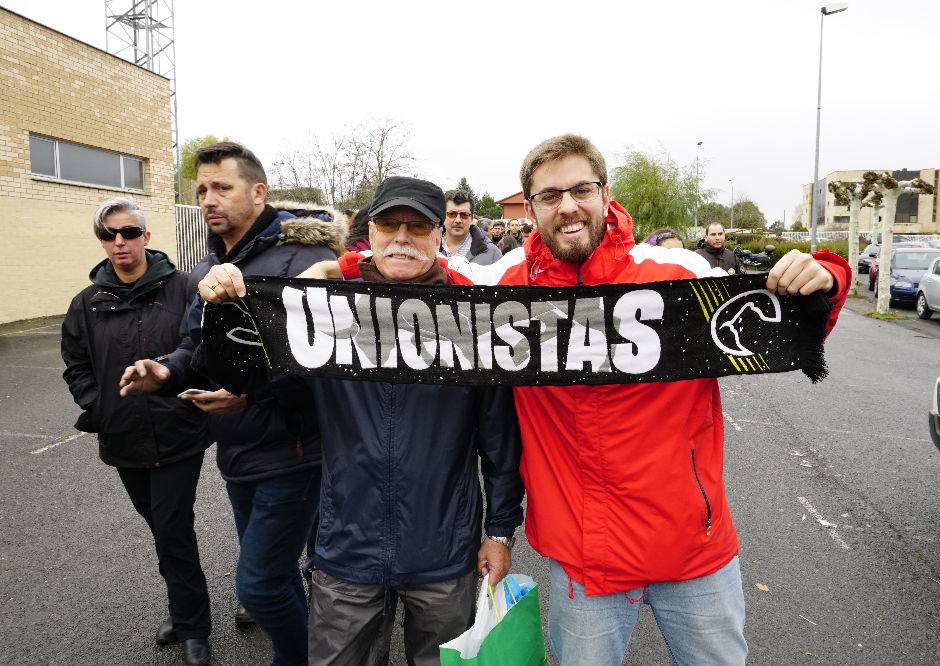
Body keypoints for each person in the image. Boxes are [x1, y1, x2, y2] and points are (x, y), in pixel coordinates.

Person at [299, 134, 850, 665]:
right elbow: (411, 273)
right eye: (549, 196)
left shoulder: (678, 275)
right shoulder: (503, 287)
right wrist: (336, 272)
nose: (568, 207)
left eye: (581, 190)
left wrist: (825, 273)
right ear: (531, 209)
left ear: (605, 194)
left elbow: (785, 319)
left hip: (693, 555)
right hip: (582, 563)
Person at [196, 176, 525, 666]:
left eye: (418, 227)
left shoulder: (474, 321)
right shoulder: (324, 309)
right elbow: (262, 378)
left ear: (440, 235)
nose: (402, 238)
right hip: (347, 551)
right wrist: (222, 308)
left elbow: (500, 442)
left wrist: (499, 532)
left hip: (444, 553)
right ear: (368, 230)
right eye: (390, 223)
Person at [119, 142, 343, 666]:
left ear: (258, 191)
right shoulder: (209, 266)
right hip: (239, 449)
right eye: (201, 190)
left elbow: (324, 364)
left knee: (260, 586)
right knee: (277, 574)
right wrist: (165, 372)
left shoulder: (306, 260)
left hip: (296, 448)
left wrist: (250, 392)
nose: (208, 199)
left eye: (222, 187)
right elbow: (195, 347)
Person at [61, 198, 213, 666]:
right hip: (123, 437)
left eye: (128, 232)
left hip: (177, 432)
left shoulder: (183, 288)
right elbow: (77, 365)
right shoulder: (87, 304)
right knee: (160, 528)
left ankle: (193, 626)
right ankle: (183, 610)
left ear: (146, 236)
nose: (119, 242)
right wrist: (100, 406)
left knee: (171, 528)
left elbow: (201, 346)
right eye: (109, 235)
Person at [440, 188, 502, 265]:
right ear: (443, 216)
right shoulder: (429, 249)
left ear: (472, 218)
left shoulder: (492, 253)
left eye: (464, 215)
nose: (458, 220)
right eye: (452, 214)